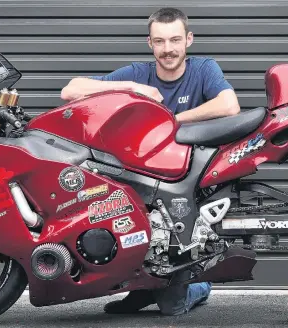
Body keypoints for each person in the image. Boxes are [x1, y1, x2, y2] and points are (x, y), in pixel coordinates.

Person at [61, 7, 241, 316]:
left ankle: (197, 287)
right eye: (160, 41)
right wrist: (127, 87)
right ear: (150, 43)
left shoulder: (203, 70)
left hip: (187, 184)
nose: (168, 49)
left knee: (174, 307)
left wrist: (171, 122)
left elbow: (230, 105)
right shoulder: (137, 73)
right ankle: (143, 291)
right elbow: (70, 91)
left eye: (174, 40)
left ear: (189, 39)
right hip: (142, 183)